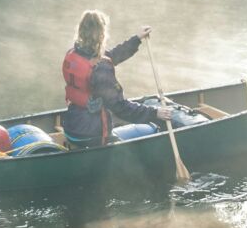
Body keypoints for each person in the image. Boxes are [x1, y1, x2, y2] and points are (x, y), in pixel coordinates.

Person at [60, 9, 203, 145]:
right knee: (151, 129)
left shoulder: (75, 53)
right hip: (93, 136)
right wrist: (155, 113)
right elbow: (121, 107)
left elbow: (112, 56)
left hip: (71, 128)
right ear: (101, 34)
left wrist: (137, 39)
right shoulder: (100, 68)